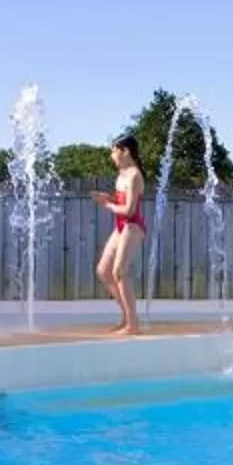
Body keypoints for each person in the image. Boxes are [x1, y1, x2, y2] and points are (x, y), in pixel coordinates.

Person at [94, 135, 147, 336]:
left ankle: (133, 324)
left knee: (120, 271)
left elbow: (129, 210)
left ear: (125, 151)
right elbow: (121, 200)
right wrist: (108, 198)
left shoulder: (134, 175)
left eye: (113, 150)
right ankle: (126, 316)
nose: (111, 155)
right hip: (121, 227)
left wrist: (107, 205)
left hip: (132, 226)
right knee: (103, 270)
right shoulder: (121, 175)